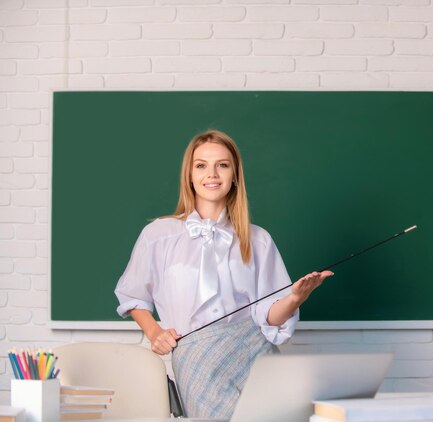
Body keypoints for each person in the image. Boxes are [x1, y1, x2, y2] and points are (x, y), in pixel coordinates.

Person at [114, 129, 333, 418]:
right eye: (201, 165)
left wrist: (294, 298)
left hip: (255, 353)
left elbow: (267, 314)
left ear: (235, 176)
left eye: (223, 165)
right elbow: (133, 296)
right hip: (196, 358)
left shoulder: (258, 240)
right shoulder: (158, 235)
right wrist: (154, 332)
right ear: (189, 175)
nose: (212, 174)